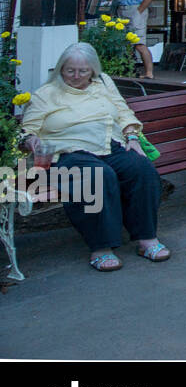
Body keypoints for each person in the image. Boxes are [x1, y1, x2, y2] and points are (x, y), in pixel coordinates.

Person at [18, 43, 169, 271]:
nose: (76, 76)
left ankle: (146, 238)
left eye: (83, 71)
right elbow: (27, 129)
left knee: (141, 169)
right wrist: (30, 140)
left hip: (110, 145)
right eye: (70, 71)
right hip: (69, 152)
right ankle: (101, 247)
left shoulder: (104, 83)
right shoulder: (46, 94)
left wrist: (132, 137)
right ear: (61, 69)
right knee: (98, 176)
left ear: (93, 70)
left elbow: (123, 111)